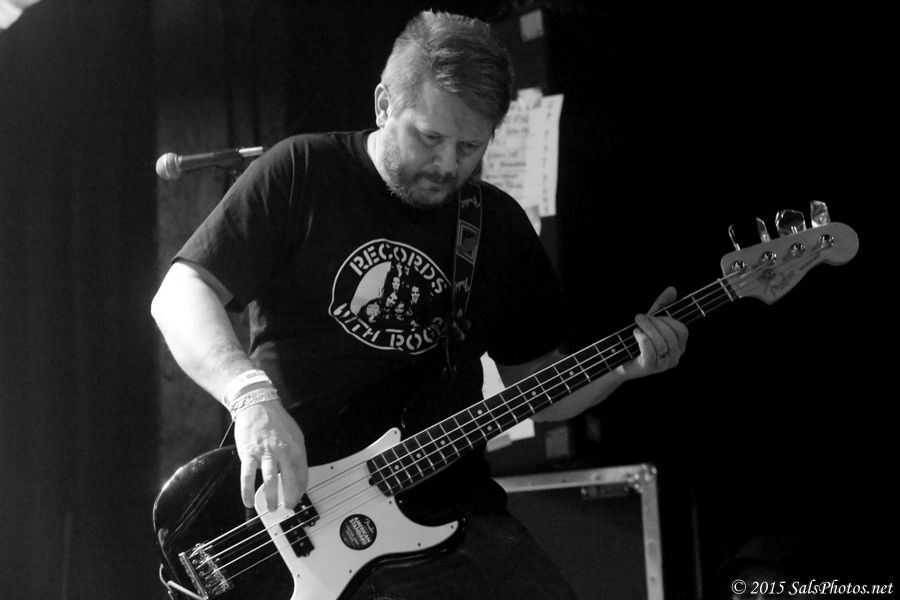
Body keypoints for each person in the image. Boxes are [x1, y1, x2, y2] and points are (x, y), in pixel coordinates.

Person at [150, 10, 688, 600]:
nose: (448, 165)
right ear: (384, 104)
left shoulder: (497, 226)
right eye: (430, 137)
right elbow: (181, 293)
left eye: (470, 146)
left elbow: (537, 387)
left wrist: (622, 369)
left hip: (451, 507)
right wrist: (251, 398)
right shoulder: (303, 171)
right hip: (299, 510)